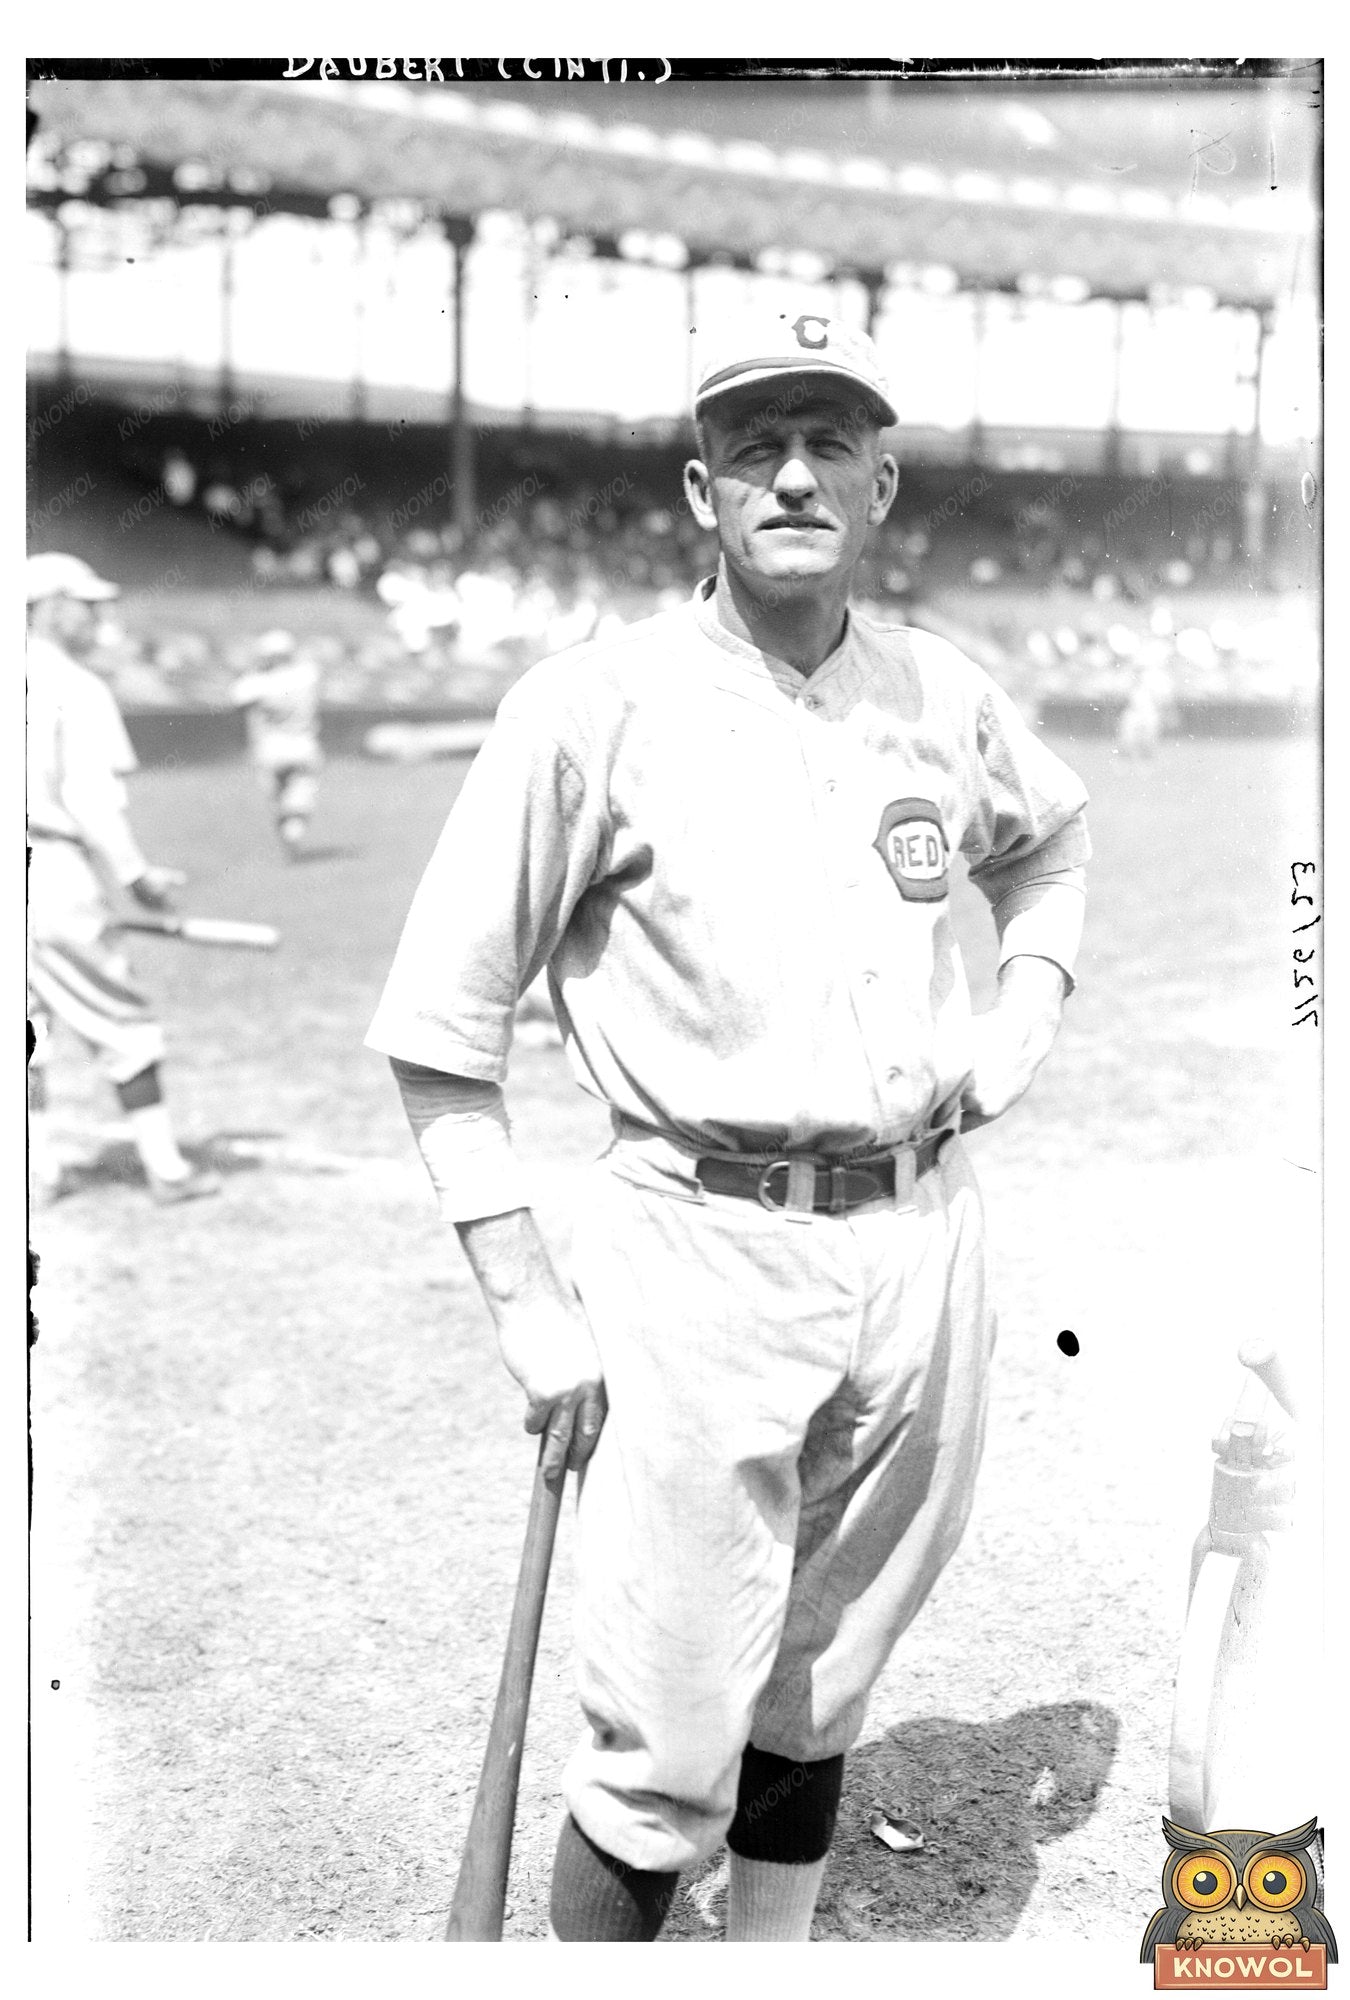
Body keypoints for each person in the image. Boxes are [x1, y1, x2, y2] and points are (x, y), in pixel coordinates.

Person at [366, 313, 1091, 1943]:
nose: (792, 471)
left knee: (823, 1674)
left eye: (830, 439)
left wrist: (1026, 1001)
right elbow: (435, 1031)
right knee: (663, 1744)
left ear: (882, 483)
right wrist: (525, 1302)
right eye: (755, 444)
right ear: (700, 491)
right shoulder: (589, 710)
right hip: (701, 1253)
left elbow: (1049, 848)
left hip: (927, 1240)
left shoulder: (942, 690)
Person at [26, 552, 219, 1206]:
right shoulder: (74, 686)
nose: (98, 615)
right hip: (48, 868)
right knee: (123, 1022)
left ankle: (36, 1174)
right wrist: (135, 874)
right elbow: (90, 797)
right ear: (49, 606)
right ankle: (167, 1168)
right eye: (85, 604)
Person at [229, 630, 323, 857]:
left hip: (270, 748)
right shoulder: (307, 675)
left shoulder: (257, 682)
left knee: (279, 799)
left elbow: (236, 698)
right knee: (301, 794)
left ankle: (289, 831)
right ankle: (294, 830)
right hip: (303, 744)